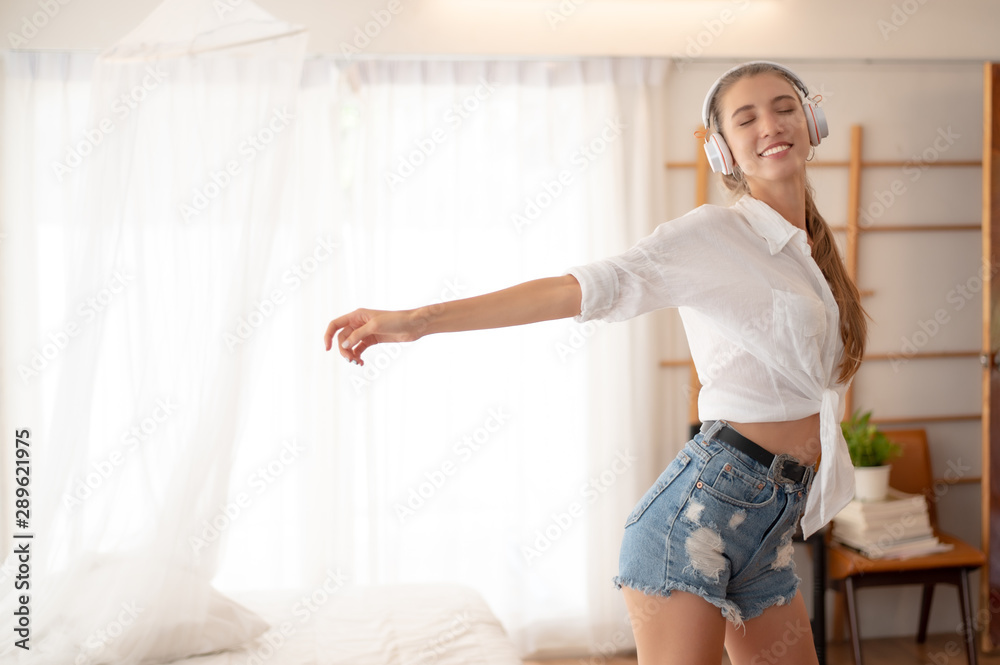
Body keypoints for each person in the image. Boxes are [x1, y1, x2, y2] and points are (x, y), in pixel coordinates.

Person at [323, 61, 867, 665]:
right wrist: (419, 320)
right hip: (692, 524)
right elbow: (582, 287)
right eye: (747, 118)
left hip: (769, 527)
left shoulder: (810, 249)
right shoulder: (712, 234)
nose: (772, 124)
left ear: (811, 120)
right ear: (725, 152)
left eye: (784, 106)